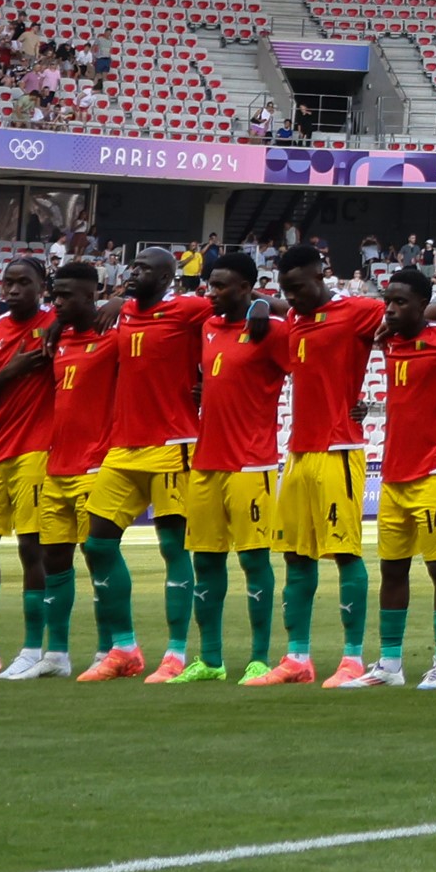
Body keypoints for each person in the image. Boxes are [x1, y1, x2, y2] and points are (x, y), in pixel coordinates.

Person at [253, 246, 385, 684]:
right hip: (298, 452)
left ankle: (352, 658)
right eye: (286, 290)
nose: (291, 297)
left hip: (339, 450)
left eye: (299, 287)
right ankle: (297, 659)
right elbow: (268, 304)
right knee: (294, 555)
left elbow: (412, 315)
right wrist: (259, 302)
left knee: (344, 552)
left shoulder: (358, 311)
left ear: (321, 275)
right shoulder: (293, 318)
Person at [0, 256, 79, 679]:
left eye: (25, 282)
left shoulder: (55, 326)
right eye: (9, 282)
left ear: (43, 286)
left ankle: (32, 650)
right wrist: (14, 368)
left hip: (39, 450)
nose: (14, 289)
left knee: (32, 549)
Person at [361, 261, 436, 688]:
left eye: (399, 302)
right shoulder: (389, 340)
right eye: (387, 301)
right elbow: (407, 318)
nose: (389, 310)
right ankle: (390, 665)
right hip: (392, 477)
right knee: (392, 571)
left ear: (422, 305)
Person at [173, 250, 289, 683]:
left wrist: (263, 303)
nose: (211, 293)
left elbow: (314, 356)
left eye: (221, 286)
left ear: (246, 287)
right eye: (209, 285)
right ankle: (211, 659)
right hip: (206, 462)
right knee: (206, 562)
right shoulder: (207, 326)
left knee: (254, 561)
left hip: (251, 463)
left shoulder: (272, 330)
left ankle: (260, 656)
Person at [36, 265, 144, 679]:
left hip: (97, 464)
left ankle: (110, 648)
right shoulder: (58, 337)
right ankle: (56, 654)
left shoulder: (115, 336)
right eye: (55, 296)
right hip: (56, 465)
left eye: (66, 296)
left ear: (90, 295)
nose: (58, 303)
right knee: (55, 560)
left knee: (99, 555)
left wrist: (122, 302)